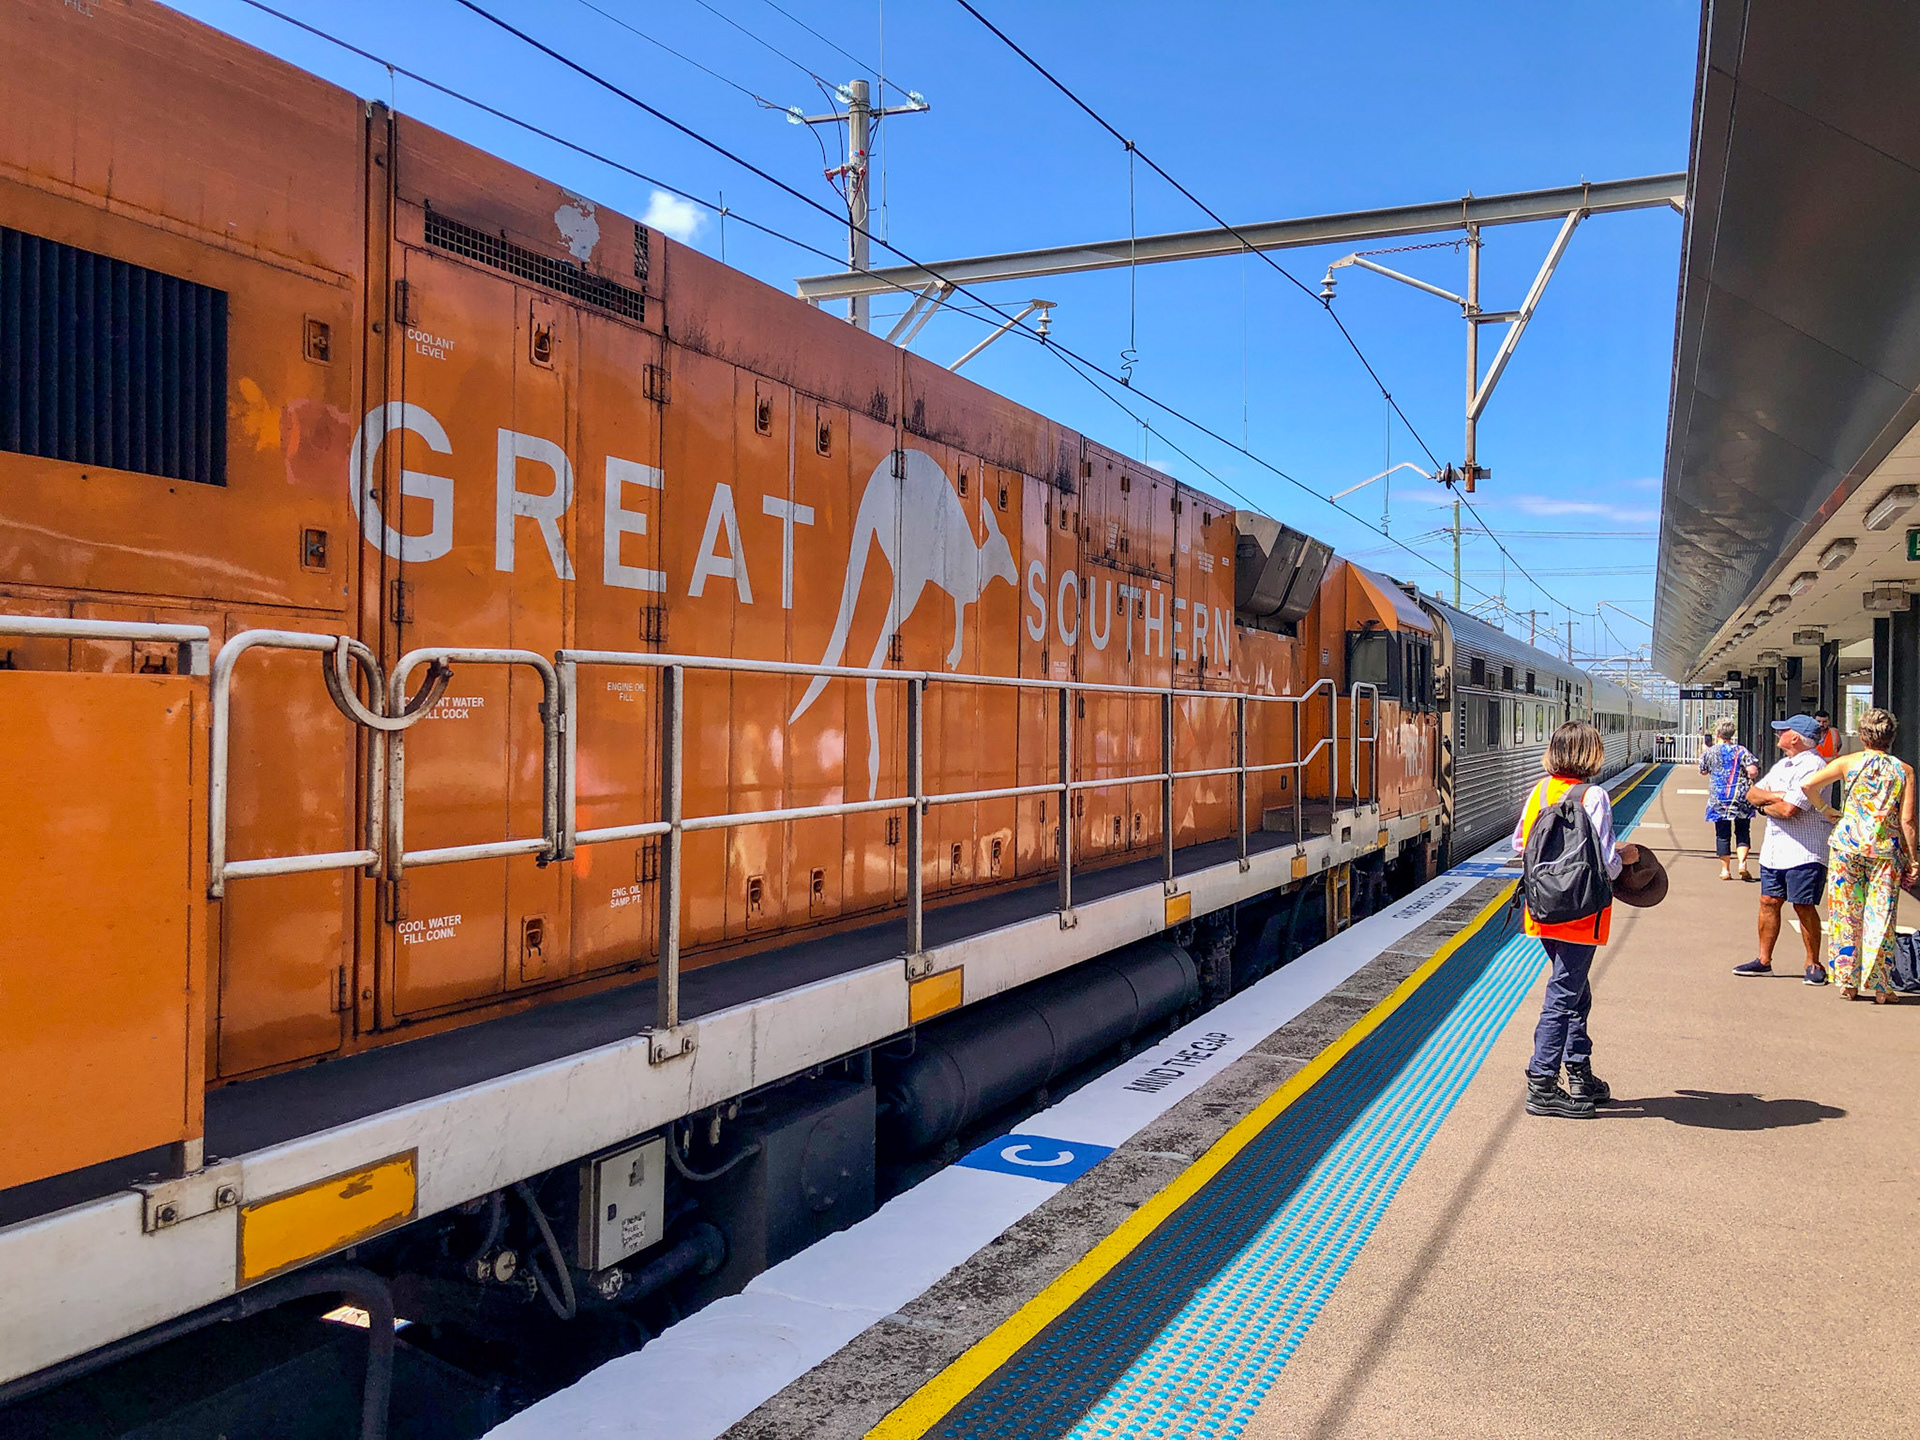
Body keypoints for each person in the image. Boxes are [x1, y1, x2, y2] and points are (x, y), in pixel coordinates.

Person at [1512, 721, 1640, 1119]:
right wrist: (1628, 856)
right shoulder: (1594, 795)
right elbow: (1606, 862)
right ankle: (1543, 1083)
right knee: (1564, 997)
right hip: (1583, 911)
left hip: (1544, 907)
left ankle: (1580, 1072)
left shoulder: (1541, 790)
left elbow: (1520, 842)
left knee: (1575, 991)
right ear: (1592, 754)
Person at [1797, 708, 1918, 1001]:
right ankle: (1880, 986)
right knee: (1881, 917)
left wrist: (1827, 811)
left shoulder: (1847, 763)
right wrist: (1914, 859)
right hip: (1885, 851)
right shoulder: (1904, 770)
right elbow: (1908, 821)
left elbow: (1808, 785)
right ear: (1891, 738)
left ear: (1863, 736)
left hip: (1847, 846)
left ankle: (1848, 983)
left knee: (1845, 914)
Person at [1734, 715, 1835, 984]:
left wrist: (1769, 803)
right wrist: (1774, 798)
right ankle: (1763, 960)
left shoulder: (1814, 766)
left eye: (1784, 730)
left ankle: (1813, 963)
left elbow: (1790, 809)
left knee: (1803, 905)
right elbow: (1752, 794)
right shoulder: (1784, 764)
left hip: (1805, 851)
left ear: (1796, 738)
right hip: (1775, 850)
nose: (1779, 734)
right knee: (1769, 901)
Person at [1698, 717, 1759, 881]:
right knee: (1743, 831)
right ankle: (1742, 863)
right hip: (1740, 797)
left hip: (1719, 798)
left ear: (1717, 733)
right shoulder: (1741, 751)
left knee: (1722, 834)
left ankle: (1725, 870)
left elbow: (1703, 771)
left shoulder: (1709, 752)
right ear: (1732, 734)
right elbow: (1753, 771)